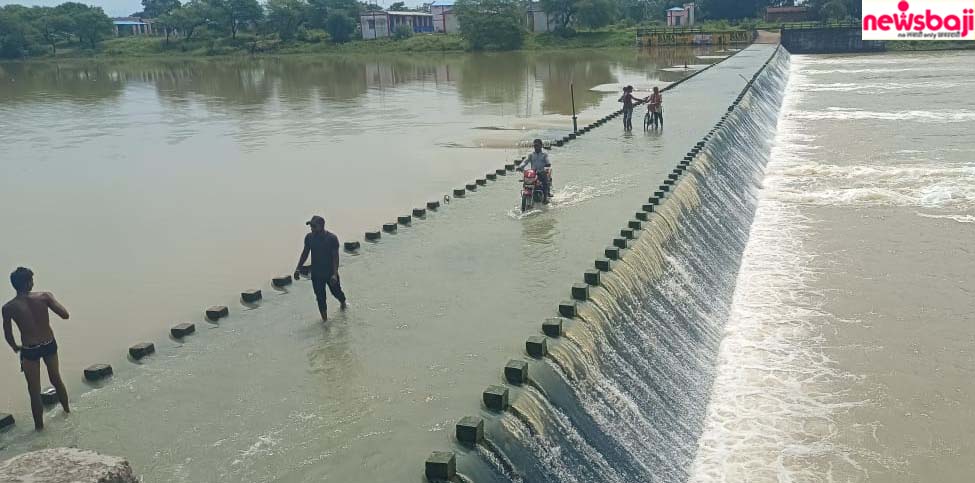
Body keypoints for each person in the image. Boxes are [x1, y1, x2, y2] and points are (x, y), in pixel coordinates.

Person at [3, 267, 71, 431]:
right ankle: (68, 412)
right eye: (31, 280)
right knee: (56, 379)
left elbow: (8, 334)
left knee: (34, 391)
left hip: (29, 349)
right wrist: (50, 302)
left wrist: (15, 347)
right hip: (49, 344)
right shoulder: (44, 297)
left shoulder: (9, 307)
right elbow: (65, 314)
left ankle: (39, 429)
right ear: (27, 283)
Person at [294, 216, 347, 322]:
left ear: (321, 226)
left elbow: (335, 257)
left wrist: (334, 274)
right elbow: (305, 253)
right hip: (316, 274)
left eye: (314, 226)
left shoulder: (332, 238)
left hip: (330, 273)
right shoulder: (309, 238)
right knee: (320, 298)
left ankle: (343, 304)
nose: (312, 228)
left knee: (336, 293)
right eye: (310, 226)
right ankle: (325, 322)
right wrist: (298, 269)